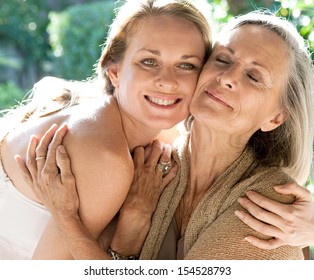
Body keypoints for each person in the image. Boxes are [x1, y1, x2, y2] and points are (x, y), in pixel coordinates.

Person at [19, 11, 314, 259]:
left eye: (253, 76)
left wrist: (67, 219)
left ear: (276, 117)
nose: (226, 78)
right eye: (222, 60)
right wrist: (128, 236)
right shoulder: (152, 160)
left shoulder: (273, 211)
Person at [0, 0, 212, 259]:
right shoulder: (104, 157)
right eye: (149, 61)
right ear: (114, 71)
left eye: (187, 65)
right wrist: (126, 240)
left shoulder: (163, 140)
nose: (167, 81)